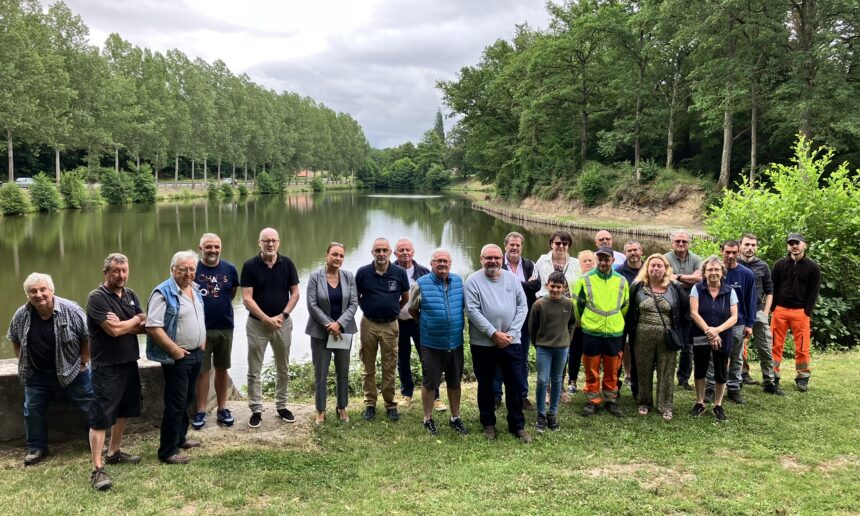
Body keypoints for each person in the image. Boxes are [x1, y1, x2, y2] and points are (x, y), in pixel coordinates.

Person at [7, 273, 91, 467]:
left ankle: (95, 442)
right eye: (33, 291)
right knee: (33, 411)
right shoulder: (21, 314)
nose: (39, 294)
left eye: (42, 289)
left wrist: (84, 360)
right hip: (37, 374)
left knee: (89, 405)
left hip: (73, 371)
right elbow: (14, 338)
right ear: (27, 294)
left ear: (51, 290)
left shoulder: (71, 309)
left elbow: (88, 335)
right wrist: (23, 361)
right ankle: (37, 448)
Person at [86, 254, 146, 490]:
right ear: (106, 273)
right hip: (106, 366)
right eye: (115, 271)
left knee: (124, 411)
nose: (121, 275)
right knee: (101, 417)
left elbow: (143, 324)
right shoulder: (96, 298)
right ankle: (97, 469)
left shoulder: (130, 295)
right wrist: (132, 321)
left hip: (129, 361)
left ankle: (114, 452)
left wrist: (127, 322)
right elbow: (113, 331)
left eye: (124, 270)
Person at [465, 244, 531, 443]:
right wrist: (493, 333)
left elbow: (523, 307)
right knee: (485, 384)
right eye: (488, 258)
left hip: (512, 341)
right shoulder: (472, 281)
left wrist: (509, 334)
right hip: (483, 343)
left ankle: (517, 425)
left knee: (515, 384)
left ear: (501, 258)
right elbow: (472, 311)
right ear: (481, 259)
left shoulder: (512, 279)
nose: (492, 261)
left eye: (496, 257)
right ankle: (488, 424)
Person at [145, 251, 206, 463]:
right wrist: (173, 349)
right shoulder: (162, 292)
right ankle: (167, 451)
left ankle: (180, 439)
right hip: (178, 358)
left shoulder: (194, 289)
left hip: (196, 353)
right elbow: (152, 326)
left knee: (188, 400)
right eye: (183, 269)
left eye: (191, 269)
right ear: (172, 270)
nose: (188, 273)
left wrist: (202, 338)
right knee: (176, 403)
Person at [241, 228, 300, 428]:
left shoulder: (288, 263)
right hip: (257, 325)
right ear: (259, 243)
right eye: (266, 241)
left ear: (279, 242)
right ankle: (256, 409)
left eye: (274, 240)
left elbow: (295, 294)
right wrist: (266, 318)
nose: (270, 244)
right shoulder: (250, 266)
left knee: (282, 368)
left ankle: (282, 406)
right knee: (254, 370)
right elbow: (247, 298)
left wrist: (282, 315)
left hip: (282, 324)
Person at [408, 249, 468, 436]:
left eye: (445, 261)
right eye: (438, 261)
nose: (442, 264)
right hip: (432, 344)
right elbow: (412, 309)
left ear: (450, 263)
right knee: (430, 383)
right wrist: (427, 324)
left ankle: (455, 417)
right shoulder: (421, 284)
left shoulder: (458, 281)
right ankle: (428, 418)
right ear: (431, 263)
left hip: (455, 343)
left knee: (455, 381)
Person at [626, 254, 688, 421]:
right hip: (642, 335)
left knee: (666, 371)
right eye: (652, 265)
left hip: (667, 337)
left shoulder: (674, 288)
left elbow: (684, 312)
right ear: (647, 267)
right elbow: (630, 312)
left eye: (659, 266)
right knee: (643, 369)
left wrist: (682, 335)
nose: (655, 268)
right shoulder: (637, 287)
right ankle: (644, 402)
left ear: (666, 269)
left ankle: (665, 405)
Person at [355, 237, 410, 421]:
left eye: (384, 250)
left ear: (389, 253)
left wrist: (391, 310)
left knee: (390, 365)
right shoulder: (363, 273)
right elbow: (357, 297)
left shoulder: (399, 273)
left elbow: (405, 298)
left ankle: (390, 404)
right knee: (367, 365)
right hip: (368, 323)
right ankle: (370, 403)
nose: (381, 254)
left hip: (390, 325)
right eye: (377, 250)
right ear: (372, 253)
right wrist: (369, 309)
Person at [305, 242, 358, 424]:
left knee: (342, 371)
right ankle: (320, 409)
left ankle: (341, 407)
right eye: (334, 254)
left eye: (341, 256)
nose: (338, 258)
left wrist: (340, 324)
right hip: (320, 332)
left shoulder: (349, 277)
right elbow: (312, 305)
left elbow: (353, 304)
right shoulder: (314, 277)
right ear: (326, 255)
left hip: (343, 332)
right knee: (321, 372)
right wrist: (329, 324)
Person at [574, 246, 630, 417]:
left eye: (607, 259)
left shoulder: (621, 280)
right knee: (592, 367)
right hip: (592, 331)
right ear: (596, 260)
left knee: (613, 368)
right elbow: (577, 306)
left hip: (614, 331)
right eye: (600, 259)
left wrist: (615, 321)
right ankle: (592, 399)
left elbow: (625, 306)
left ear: (613, 261)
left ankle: (611, 399)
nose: (603, 262)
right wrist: (583, 323)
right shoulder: (585, 280)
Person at [192, 233, 239, 430]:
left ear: (221, 248)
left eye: (216, 246)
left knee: (222, 368)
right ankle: (201, 410)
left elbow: (232, 293)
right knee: (202, 371)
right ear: (200, 248)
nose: (212, 250)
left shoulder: (230, 269)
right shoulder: (192, 268)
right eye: (208, 246)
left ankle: (222, 408)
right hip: (199, 329)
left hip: (224, 326)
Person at [392, 238, 442, 411]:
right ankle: (407, 393)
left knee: (427, 358)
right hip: (398, 322)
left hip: (420, 321)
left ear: (413, 252)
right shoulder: (390, 271)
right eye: (401, 250)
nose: (405, 253)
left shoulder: (424, 272)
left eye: (408, 250)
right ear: (395, 253)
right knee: (402, 359)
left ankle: (435, 396)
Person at [705, 241, 756, 405]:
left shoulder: (747, 274)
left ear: (739, 251)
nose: (731, 255)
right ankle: (710, 388)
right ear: (722, 251)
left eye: (734, 252)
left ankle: (734, 388)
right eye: (727, 252)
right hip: (715, 322)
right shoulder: (714, 271)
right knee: (712, 356)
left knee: (736, 356)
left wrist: (750, 323)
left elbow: (751, 300)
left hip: (737, 322)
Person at [689, 256, 738, 421]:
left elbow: (734, 317)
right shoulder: (697, 288)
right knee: (700, 369)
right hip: (700, 334)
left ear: (722, 272)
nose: (713, 273)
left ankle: (718, 405)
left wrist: (717, 330)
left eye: (716, 269)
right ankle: (700, 402)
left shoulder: (730, 291)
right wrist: (709, 332)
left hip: (723, 335)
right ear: (704, 272)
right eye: (709, 270)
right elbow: (694, 313)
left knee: (721, 371)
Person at [495, 231, 540, 410]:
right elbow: (497, 287)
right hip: (502, 322)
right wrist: (524, 285)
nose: (514, 248)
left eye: (518, 245)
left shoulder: (530, 265)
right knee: (498, 360)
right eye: (511, 245)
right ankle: (496, 396)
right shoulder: (497, 263)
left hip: (524, 321)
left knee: (521, 360)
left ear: (522, 247)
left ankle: (522, 395)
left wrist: (513, 284)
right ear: (505, 246)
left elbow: (536, 285)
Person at [771, 233, 821, 392]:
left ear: (804, 245)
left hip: (801, 312)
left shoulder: (813, 267)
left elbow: (814, 291)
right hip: (780, 311)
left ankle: (802, 378)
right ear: (788, 246)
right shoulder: (779, 265)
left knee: (802, 346)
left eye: (797, 243)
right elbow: (773, 288)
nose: (794, 246)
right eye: (791, 243)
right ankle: (773, 375)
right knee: (774, 344)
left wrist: (807, 311)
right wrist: (773, 308)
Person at [530, 271, 576, 433]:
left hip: (562, 349)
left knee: (557, 381)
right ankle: (541, 415)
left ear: (563, 288)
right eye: (552, 286)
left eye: (558, 287)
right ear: (547, 285)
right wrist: (538, 344)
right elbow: (532, 328)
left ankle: (552, 414)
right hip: (544, 348)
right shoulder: (539, 305)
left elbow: (572, 323)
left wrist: (567, 340)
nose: (555, 290)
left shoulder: (568, 304)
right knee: (542, 381)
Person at [738, 233, 781, 395]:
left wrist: (765, 312)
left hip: (758, 312)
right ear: (740, 246)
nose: (750, 248)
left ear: (757, 247)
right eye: (747, 244)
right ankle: (737, 380)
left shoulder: (762, 266)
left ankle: (769, 381)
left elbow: (770, 290)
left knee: (765, 348)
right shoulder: (734, 264)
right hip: (739, 314)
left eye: (753, 245)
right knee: (737, 348)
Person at [664, 229, 702, 391]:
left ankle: (684, 378)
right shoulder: (665, 258)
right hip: (669, 306)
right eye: (678, 241)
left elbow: (700, 279)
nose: (681, 244)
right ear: (672, 242)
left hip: (690, 307)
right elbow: (665, 279)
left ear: (689, 243)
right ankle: (665, 376)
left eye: (684, 241)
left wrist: (677, 277)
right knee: (668, 342)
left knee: (688, 345)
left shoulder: (697, 259)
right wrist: (688, 279)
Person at [616, 240, 645, 395]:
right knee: (617, 353)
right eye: (629, 250)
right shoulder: (619, 272)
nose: (633, 253)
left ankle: (637, 388)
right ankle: (615, 387)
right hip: (622, 318)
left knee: (638, 355)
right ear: (624, 253)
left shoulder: (649, 269)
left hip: (642, 320)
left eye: (635, 250)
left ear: (641, 251)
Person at [566, 250, 595, 395]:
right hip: (576, 322)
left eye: (591, 260)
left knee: (591, 354)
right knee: (575, 352)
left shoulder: (597, 278)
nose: (588, 263)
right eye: (585, 261)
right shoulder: (575, 278)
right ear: (579, 263)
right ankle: (572, 380)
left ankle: (591, 382)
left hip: (593, 323)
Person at [534, 231, 582, 299]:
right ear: (551, 244)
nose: (561, 246)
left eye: (565, 244)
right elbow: (534, 279)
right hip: (546, 302)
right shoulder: (542, 260)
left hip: (568, 304)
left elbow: (580, 285)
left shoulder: (576, 263)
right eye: (558, 243)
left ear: (568, 246)